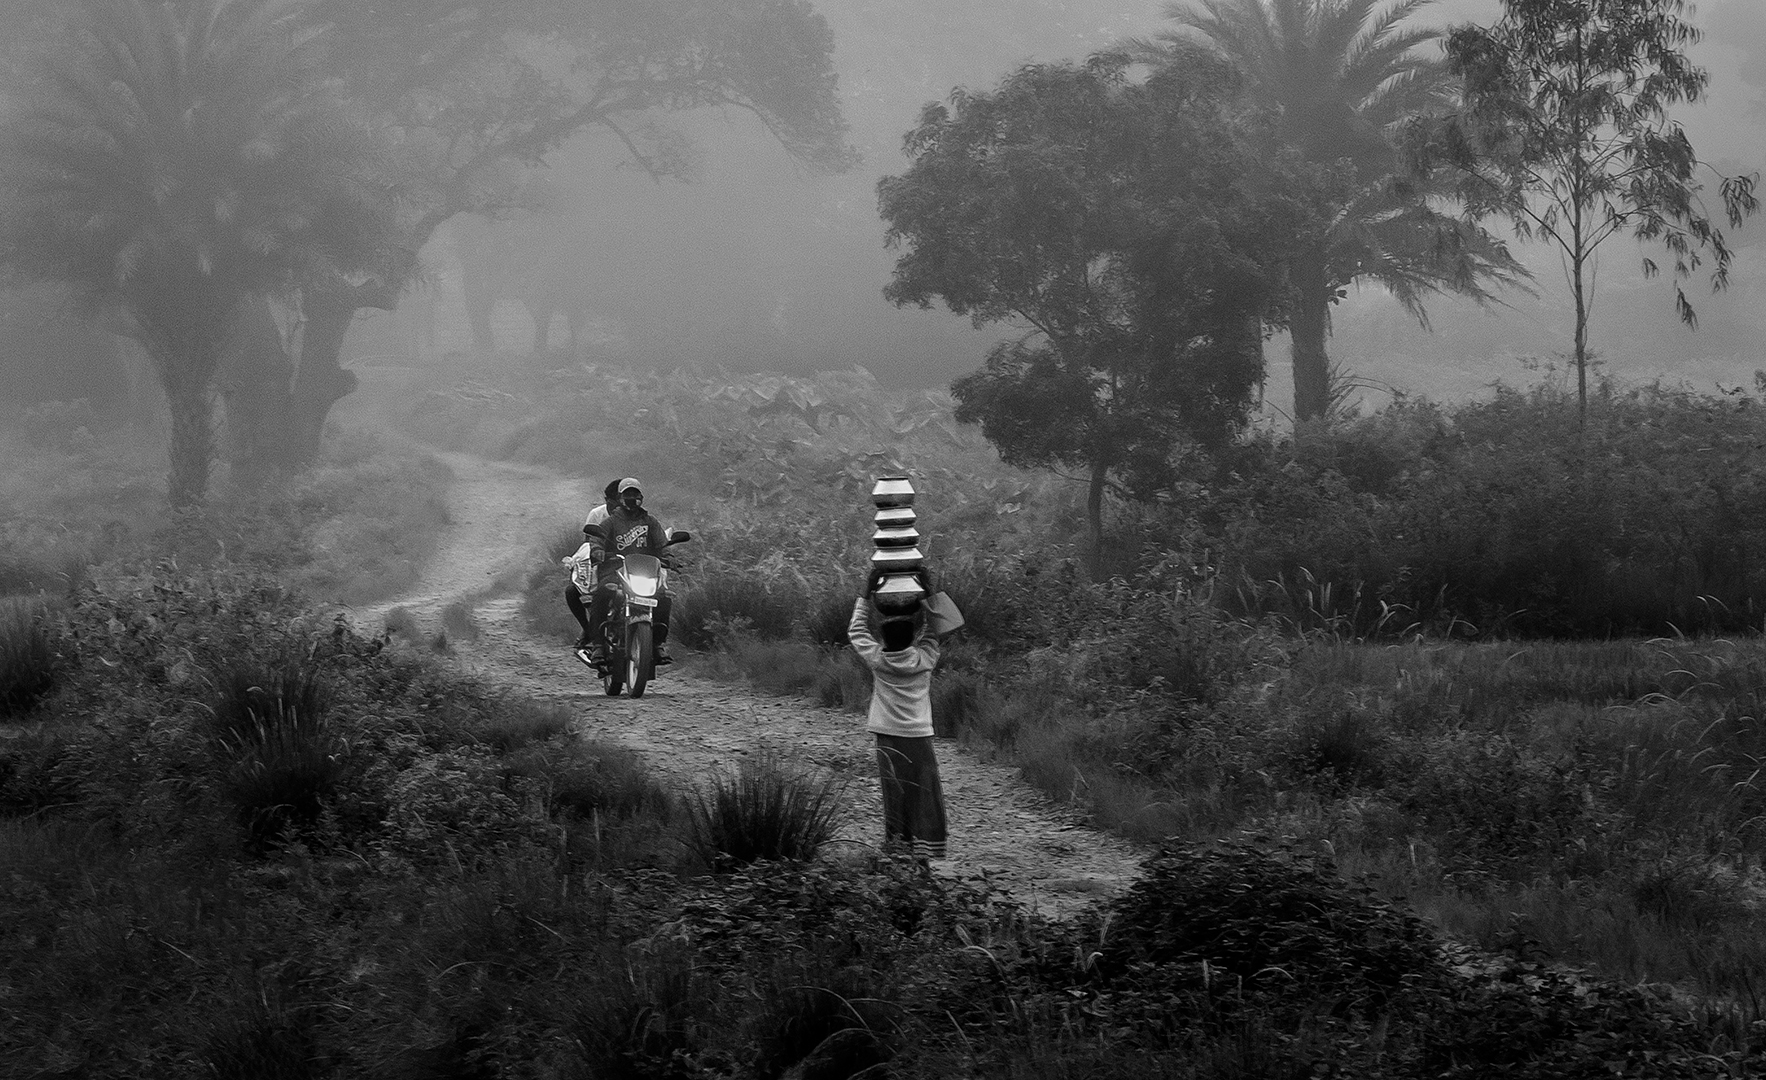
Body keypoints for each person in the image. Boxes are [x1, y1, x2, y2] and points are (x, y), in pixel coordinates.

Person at [847, 570, 947, 862]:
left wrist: (866, 592)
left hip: (888, 736)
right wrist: (927, 590)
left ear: (883, 639)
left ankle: (898, 849)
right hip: (919, 736)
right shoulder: (924, 659)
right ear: (913, 638)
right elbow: (935, 629)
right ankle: (924, 853)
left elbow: (856, 631)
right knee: (924, 791)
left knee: (896, 792)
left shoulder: (878, 660)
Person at [584, 478, 676, 665]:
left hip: (646, 573)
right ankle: (598, 645)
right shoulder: (611, 522)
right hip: (614, 571)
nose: (632, 498)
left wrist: (669, 557)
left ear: (641, 497)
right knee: (602, 593)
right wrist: (598, 551)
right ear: (620, 497)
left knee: (664, 597)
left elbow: (662, 544)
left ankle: (657, 644)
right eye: (628, 494)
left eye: (635, 494)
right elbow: (597, 540)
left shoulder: (650, 522)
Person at [566, 478, 622, 653]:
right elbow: (588, 544)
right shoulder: (597, 515)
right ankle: (589, 630)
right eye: (616, 502)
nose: (619, 507)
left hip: (628, 566)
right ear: (607, 501)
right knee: (573, 590)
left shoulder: (639, 518)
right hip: (602, 565)